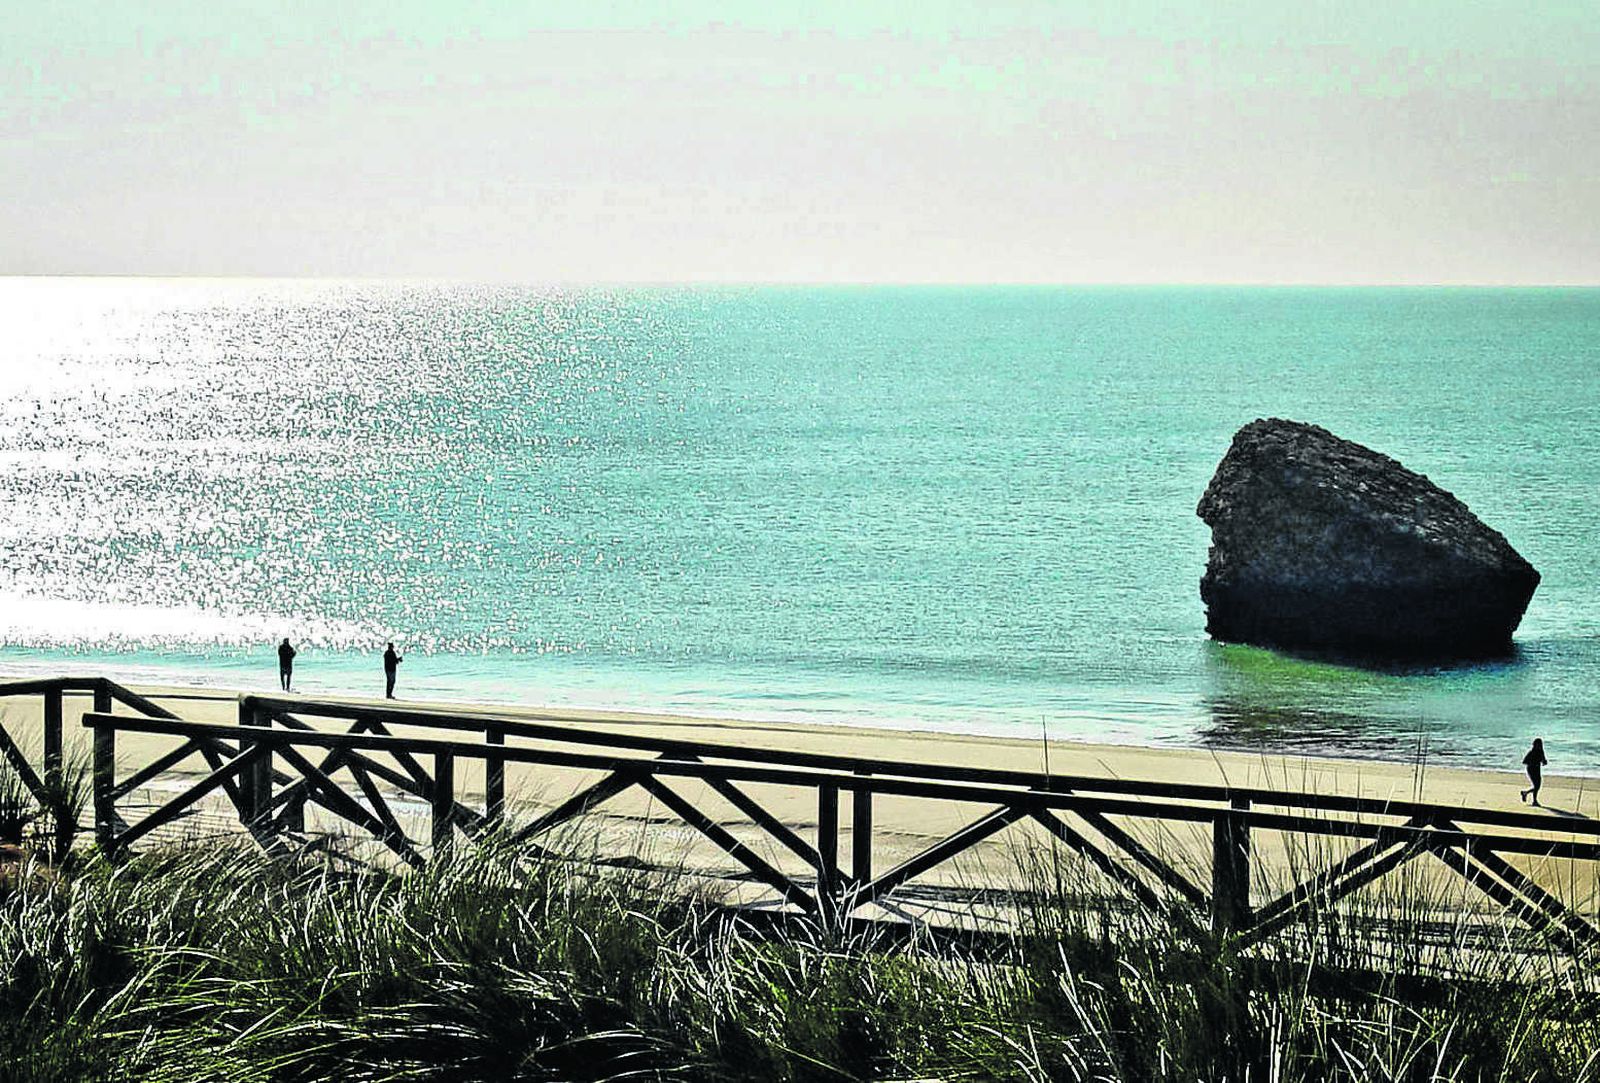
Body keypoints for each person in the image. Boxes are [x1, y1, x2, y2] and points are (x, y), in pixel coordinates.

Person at [1520, 738, 1547, 806]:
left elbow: (1543, 761)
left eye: (1540, 744)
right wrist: (1533, 762)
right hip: (1531, 769)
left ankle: (1526, 793)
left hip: (1537, 769)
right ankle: (1534, 801)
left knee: (1537, 786)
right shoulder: (1532, 752)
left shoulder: (1541, 752)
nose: (1539, 745)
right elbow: (1524, 761)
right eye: (1538, 744)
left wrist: (1544, 761)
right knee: (1536, 785)